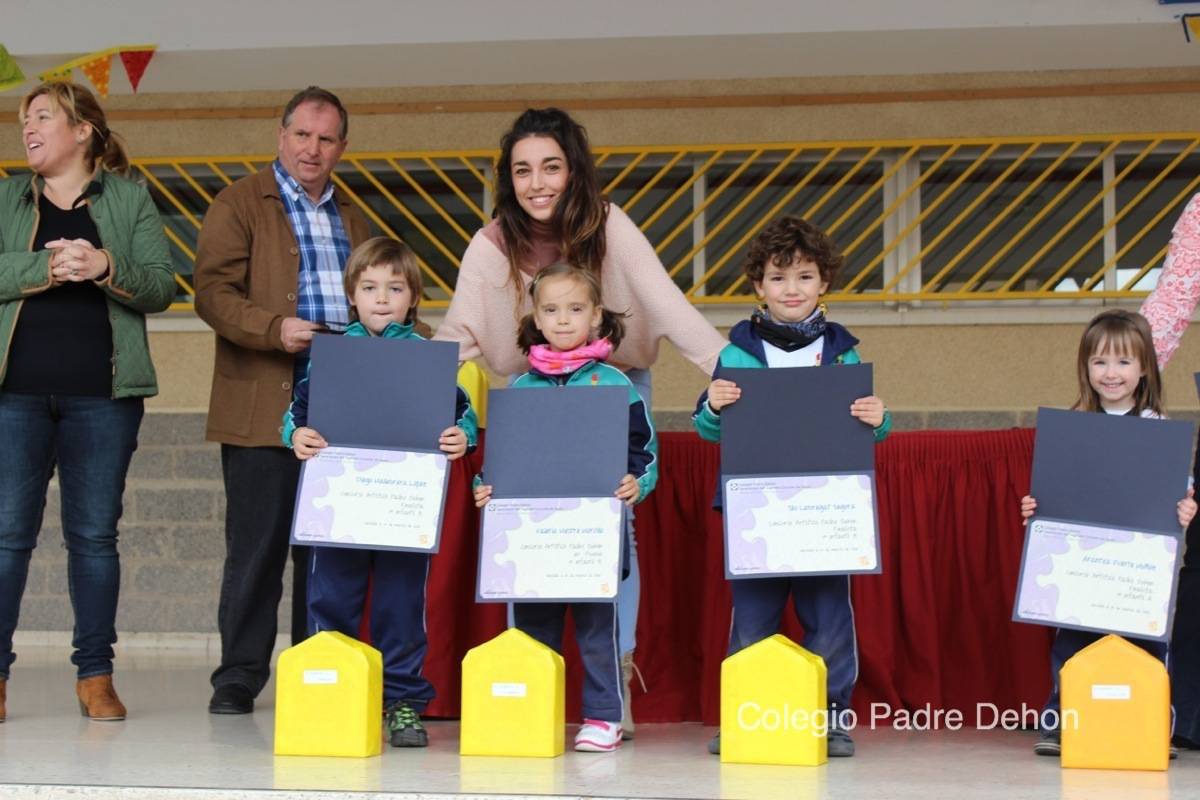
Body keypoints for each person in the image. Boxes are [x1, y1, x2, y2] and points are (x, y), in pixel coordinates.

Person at [437, 107, 724, 737]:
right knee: (527, 528)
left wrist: (733, 370)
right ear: (507, 179)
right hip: (533, 393)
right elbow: (454, 335)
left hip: (611, 386)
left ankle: (610, 691)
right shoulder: (491, 245)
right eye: (522, 170)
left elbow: (665, 301)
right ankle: (528, 684)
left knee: (613, 532)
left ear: (574, 171)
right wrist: (402, 397)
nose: (536, 182)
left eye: (550, 167)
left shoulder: (609, 225)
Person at [0, 81, 175, 722]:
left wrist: (103, 264)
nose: (28, 127)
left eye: (42, 116)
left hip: (104, 398)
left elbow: (161, 285)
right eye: (24, 119)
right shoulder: (6, 198)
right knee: (5, 538)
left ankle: (95, 677)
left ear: (83, 131)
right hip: (12, 397)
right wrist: (40, 270)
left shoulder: (129, 199)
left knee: (95, 539)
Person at [194, 86, 371, 715]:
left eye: (326, 139)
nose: (312, 148)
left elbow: (386, 296)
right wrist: (276, 329)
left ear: (341, 148)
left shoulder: (354, 215)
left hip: (340, 404)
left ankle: (314, 665)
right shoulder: (239, 202)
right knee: (256, 550)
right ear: (281, 136)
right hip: (262, 403)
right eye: (302, 134)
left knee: (324, 548)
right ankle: (238, 676)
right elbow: (211, 294)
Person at [692, 215, 891, 758]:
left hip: (825, 512)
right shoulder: (734, 353)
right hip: (755, 508)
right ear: (758, 285)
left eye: (804, 277)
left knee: (829, 619)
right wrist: (713, 407)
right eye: (779, 278)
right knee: (751, 621)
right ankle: (745, 715)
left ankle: (830, 719)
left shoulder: (843, 352)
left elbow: (869, 429)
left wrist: (879, 417)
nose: (792, 289)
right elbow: (708, 428)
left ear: (824, 282)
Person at [283, 236, 476, 747]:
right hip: (339, 506)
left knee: (400, 608)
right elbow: (297, 416)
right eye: (369, 287)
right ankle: (333, 695)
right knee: (331, 601)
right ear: (352, 295)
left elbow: (461, 416)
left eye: (395, 287)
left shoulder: (431, 360)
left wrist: (463, 436)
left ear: (413, 296)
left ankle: (404, 704)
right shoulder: (331, 357)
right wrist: (295, 436)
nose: (382, 297)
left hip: (401, 508)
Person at [473, 263, 657, 752]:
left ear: (596, 317)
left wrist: (637, 481)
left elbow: (644, 451)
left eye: (575, 309)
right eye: (550, 310)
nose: (562, 320)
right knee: (533, 629)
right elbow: (501, 460)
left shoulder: (617, 385)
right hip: (533, 536)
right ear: (536, 317)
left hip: (592, 535)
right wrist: (485, 487)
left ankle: (603, 716)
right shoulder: (520, 389)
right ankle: (536, 708)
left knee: (599, 628)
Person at [1020, 308, 1197, 757]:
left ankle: (1152, 726)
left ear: (1143, 369)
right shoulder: (1072, 427)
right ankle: (1062, 722)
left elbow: (1179, 489)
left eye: (1123, 362)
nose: (1111, 373)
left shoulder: (1159, 430)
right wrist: (1035, 509)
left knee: (1148, 648)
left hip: (1139, 567)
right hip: (1082, 563)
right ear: (1085, 367)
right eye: (1099, 362)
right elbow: (1055, 492)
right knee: (1073, 644)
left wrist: (1185, 504)